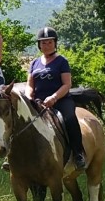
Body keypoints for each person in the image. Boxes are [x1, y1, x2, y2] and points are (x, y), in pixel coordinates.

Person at [26, 26, 87, 170]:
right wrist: (29, 97)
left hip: (60, 100)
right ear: (39, 45)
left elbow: (67, 84)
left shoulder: (61, 61)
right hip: (39, 102)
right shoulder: (34, 63)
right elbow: (30, 85)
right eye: (43, 43)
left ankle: (78, 153)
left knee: (70, 119)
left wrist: (54, 97)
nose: (46, 45)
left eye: (49, 42)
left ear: (55, 43)